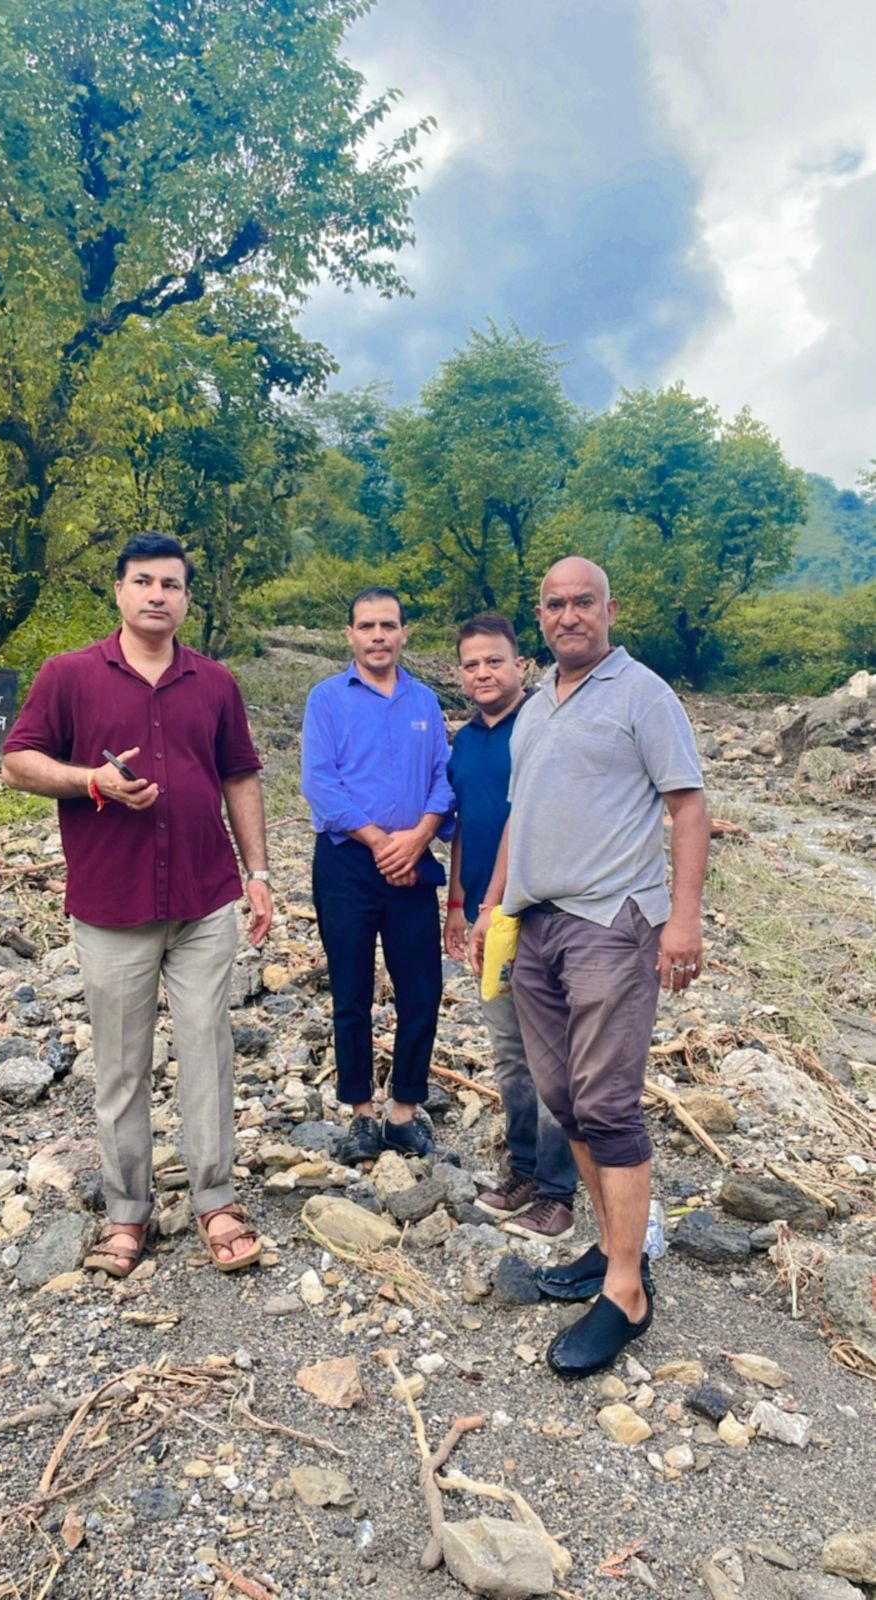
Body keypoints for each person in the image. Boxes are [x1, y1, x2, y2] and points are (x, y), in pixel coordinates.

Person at [2, 532, 272, 1277]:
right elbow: (18, 762)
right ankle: (127, 1210)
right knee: (121, 1064)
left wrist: (258, 872)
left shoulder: (214, 682)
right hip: (110, 902)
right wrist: (91, 780)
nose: (158, 595)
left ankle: (216, 1199)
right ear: (118, 590)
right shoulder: (69, 675)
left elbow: (240, 775)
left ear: (186, 598)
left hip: (204, 898)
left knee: (208, 1049)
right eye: (144, 581)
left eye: (171, 585)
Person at [471, 557, 708, 1378]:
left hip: (612, 921)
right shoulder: (537, 704)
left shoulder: (643, 694)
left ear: (610, 609)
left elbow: (688, 805)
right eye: (555, 604)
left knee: (607, 1105)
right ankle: (611, 1248)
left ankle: (627, 1292)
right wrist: (493, 904)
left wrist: (684, 920)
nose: (569, 615)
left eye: (583, 602)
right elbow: (520, 815)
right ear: (539, 617)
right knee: (565, 1099)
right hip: (536, 926)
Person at [301, 587, 455, 1163]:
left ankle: (404, 1111)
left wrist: (417, 838)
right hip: (347, 863)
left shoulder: (424, 702)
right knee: (351, 993)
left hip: (413, 863)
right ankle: (362, 1113)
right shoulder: (326, 699)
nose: (378, 636)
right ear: (350, 634)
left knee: (422, 990)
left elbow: (444, 778)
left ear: (404, 632)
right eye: (366, 626)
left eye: (388, 625)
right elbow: (320, 782)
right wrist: (379, 841)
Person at [444, 614, 577, 1239]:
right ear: (460, 673)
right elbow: (465, 825)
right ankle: (523, 1168)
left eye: (494, 661)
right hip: (484, 919)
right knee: (509, 1053)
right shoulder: (465, 741)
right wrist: (457, 904)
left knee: (553, 1055)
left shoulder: (544, 723)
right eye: (472, 664)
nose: (483, 673)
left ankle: (558, 1190)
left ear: (520, 665)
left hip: (544, 912)